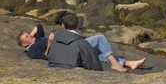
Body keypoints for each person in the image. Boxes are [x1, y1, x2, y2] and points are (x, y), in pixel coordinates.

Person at [18, 11, 147, 72]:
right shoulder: (32, 50)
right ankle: (115, 64)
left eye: (28, 34)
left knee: (98, 52)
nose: (30, 36)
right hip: (65, 49)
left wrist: (31, 34)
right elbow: (47, 56)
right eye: (27, 37)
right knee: (100, 38)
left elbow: (38, 26)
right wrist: (50, 43)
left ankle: (129, 63)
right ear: (25, 44)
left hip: (66, 44)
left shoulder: (37, 38)